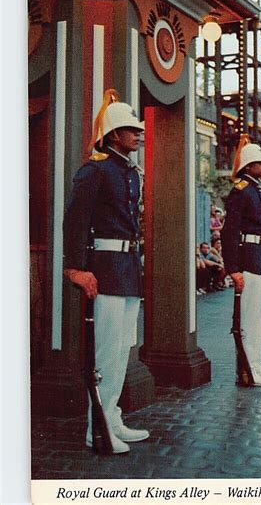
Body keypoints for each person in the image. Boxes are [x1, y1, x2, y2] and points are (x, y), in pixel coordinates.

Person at [63, 89, 149, 455]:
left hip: (126, 268)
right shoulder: (95, 170)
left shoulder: (128, 172)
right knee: (105, 352)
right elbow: (75, 222)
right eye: (131, 129)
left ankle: (111, 417)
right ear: (114, 135)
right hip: (105, 269)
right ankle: (95, 427)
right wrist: (74, 269)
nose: (139, 134)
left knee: (119, 350)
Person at [221, 136, 261, 387]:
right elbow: (229, 231)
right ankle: (246, 369)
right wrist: (233, 268)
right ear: (247, 166)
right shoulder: (241, 192)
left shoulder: (259, 191)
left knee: (260, 315)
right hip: (248, 256)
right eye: (259, 163)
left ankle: (256, 364)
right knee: (247, 316)